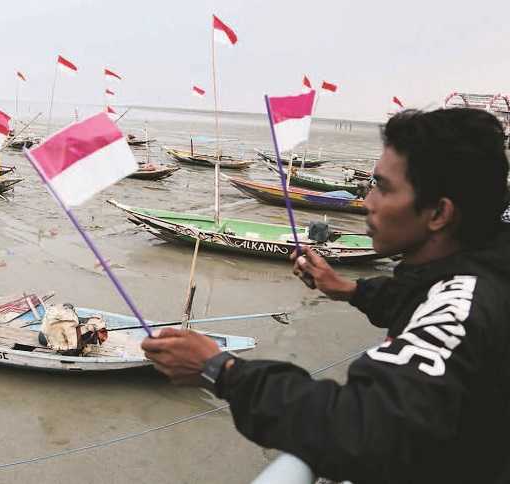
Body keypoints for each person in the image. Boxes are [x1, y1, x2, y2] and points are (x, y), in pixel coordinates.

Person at [141, 108, 510, 484]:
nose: (367, 202)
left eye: (383, 187)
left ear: (439, 213)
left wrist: (222, 370)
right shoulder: (474, 268)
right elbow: (412, 295)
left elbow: (363, 428)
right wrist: (348, 289)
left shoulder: (465, 302)